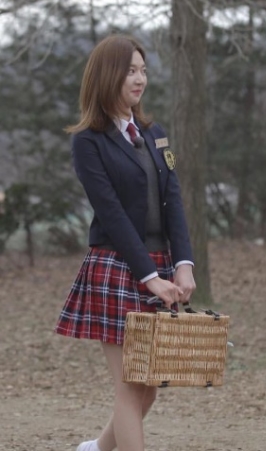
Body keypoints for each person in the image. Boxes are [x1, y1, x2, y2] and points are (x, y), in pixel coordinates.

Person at [55, 34, 196, 451]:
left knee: (147, 389)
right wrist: (150, 277)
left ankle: (97, 449)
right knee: (131, 386)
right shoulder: (88, 140)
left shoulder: (156, 134)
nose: (140, 79)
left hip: (161, 265)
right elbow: (111, 214)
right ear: (108, 75)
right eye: (130, 71)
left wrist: (183, 264)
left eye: (143, 70)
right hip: (116, 268)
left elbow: (173, 201)